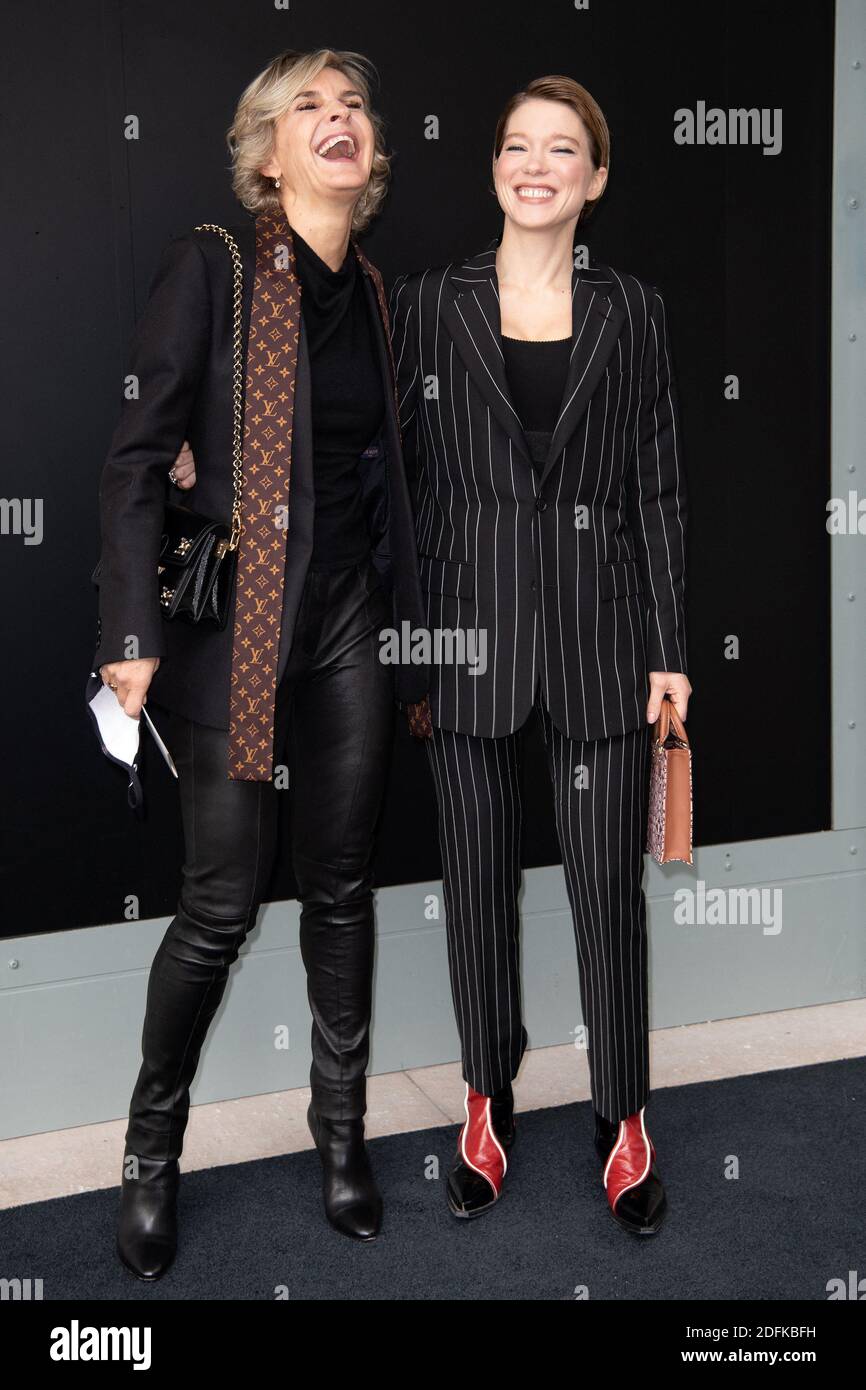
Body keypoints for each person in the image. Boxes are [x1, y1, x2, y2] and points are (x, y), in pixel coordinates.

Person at [92, 47, 427, 1280]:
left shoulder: (377, 293)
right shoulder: (217, 266)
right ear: (266, 154)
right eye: (309, 109)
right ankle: (148, 1149)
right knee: (221, 902)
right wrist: (128, 634)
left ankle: (339, 1137)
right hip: (236, 630)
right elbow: (138, 457)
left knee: (340, 885)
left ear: (368, 153)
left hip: (347, 617)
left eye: (352, 108)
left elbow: (380, 477)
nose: (337, 121)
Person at [388, 76, 691, 1233]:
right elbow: (396, 480)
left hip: (603, 640)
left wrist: (668, 644)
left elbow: (655, 486)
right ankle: (483, 1099)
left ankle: (621, 1118)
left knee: (606, 898)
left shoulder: (635, 310)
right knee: (474, 892)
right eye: (516, 145)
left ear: (594, 178)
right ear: (494, 168)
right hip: (466, 645)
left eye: (559, 150)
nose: (533, 165)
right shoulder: (427, 304)